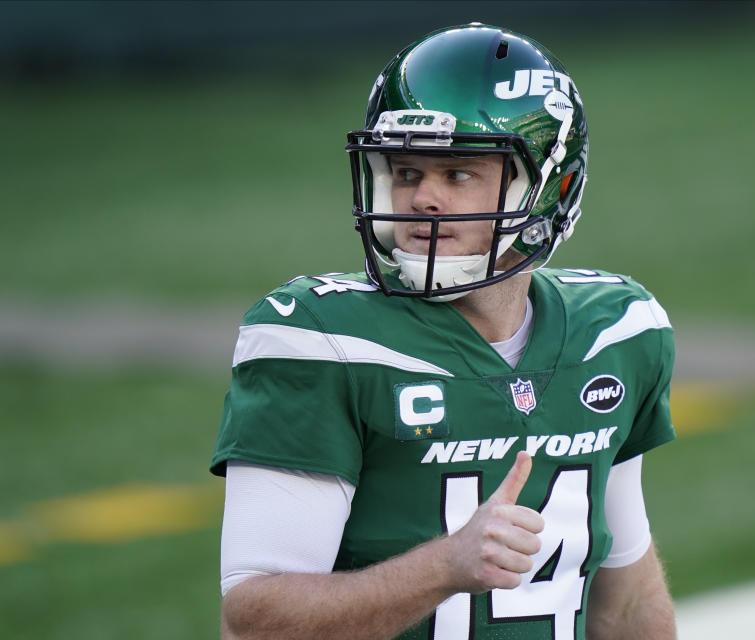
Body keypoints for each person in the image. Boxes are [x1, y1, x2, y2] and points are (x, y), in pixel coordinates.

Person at [211, 23, 677, 640]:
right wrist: (445, 566)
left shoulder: (615, 334)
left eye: (458, 173)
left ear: (544, 187)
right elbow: (256, 624)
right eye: (405, 172)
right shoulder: (323, 341)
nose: (422, 198)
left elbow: (625, 599)